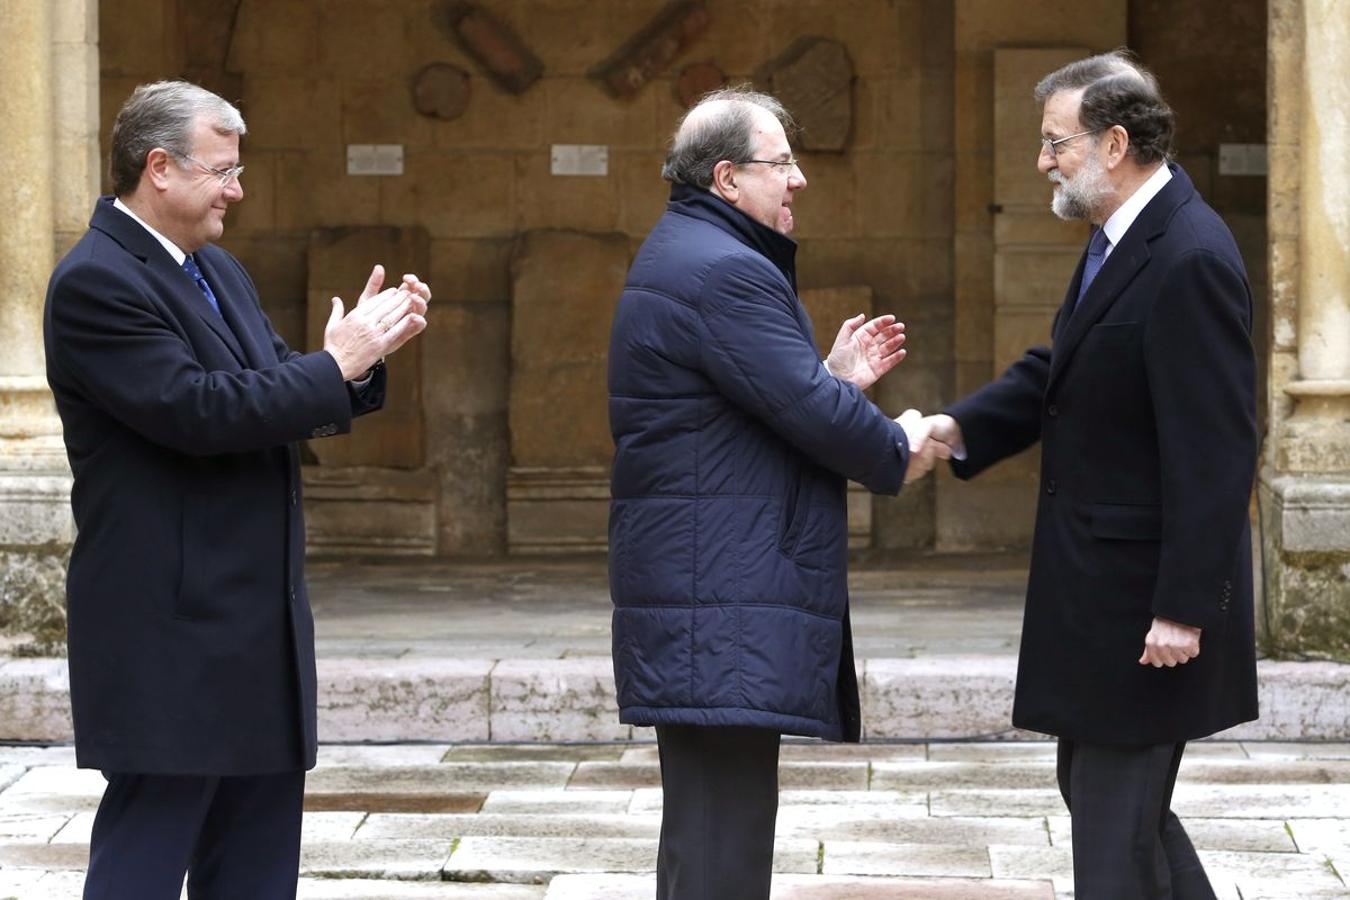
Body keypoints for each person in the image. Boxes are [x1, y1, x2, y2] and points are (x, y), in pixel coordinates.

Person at [43, 80, 430, 899]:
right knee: (145, 859)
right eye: (223, 171)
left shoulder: (215, 267)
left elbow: (274, 382)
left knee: (254, 868)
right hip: (173, 633)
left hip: (254, 627)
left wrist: (349, 360)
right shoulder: (97, 282)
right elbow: (199, 412)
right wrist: (335, 367)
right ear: (160, 169)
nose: (239, 189)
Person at [912, 51, 1257, 898]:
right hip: (1104, 599)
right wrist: (962, 428)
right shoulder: (1126, 236)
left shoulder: (1188, 255)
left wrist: (1183, 607)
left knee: (1113, 820)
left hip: (1145, 607)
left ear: (1113, 144)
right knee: (1110, 804)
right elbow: (1062, 366)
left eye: (1053, 144)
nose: (1042, 163)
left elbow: (1216, 449)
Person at [606, 87, 944, 900]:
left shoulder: (690, 252)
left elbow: (764, 407)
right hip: (718, 589)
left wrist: (829, 381)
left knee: (709, 827)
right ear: (727, 178)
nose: (799, 181)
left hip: (705, 584)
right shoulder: (726, 272)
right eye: (782, 163)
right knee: (722, 838)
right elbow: (812, 420)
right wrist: (896, 445)